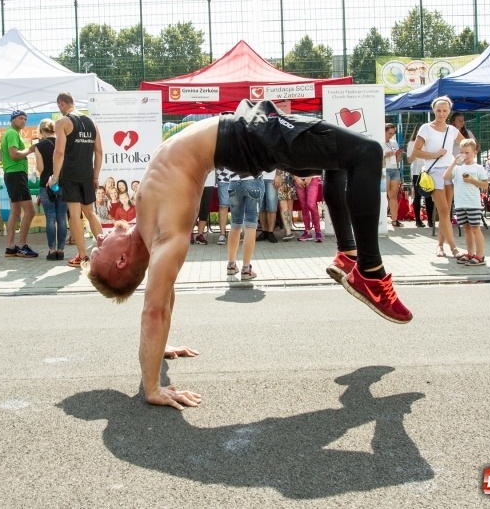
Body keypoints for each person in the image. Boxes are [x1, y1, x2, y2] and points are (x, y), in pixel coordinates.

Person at [84, 99, 412, 410]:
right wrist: (152, 387)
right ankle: (370, 272)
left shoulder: (149, 230)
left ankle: (347, 256)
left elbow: (162, 300)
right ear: (121, 261)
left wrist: (158, 349)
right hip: (250, 136)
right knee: (367, 153)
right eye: (99, 249)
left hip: (247, 133)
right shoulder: (166, 238)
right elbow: (153, 311)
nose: (98, 238)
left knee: (342, 158)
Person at [50, 92, 105, 268]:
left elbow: (58, 153)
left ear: (61, 104)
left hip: (70, 175)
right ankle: (105, 252)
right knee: (90, 212)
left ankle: (82, 256)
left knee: (74, 214)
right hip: (87, 174)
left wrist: (54, 177)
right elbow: (99, 151)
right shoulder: (92, 123)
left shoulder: (62, 122)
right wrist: (95, 176)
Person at [412, 96, 465, 258]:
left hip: (450, 170)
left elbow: (467, 144)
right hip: (433, 172)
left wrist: (461, 158)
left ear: (449, 112)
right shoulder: (425, 128)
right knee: (442, 209)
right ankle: (454, 248)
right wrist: (435, 154)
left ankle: (440, 246)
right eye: (438, 110)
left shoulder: (452, 130)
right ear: (433, 110)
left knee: (446, 212)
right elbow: (415, 152)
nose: (441, 113)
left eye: (444, 110)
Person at [0, 110, 38, 258]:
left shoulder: (10, 133)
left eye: (25, 119)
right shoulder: (12, 134)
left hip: (12, 174)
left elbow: (8, 155)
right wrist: (30, 149)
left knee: (15, 212)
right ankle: (22, 246)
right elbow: (14, 155)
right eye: (21, 118)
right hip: (16, 174)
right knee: (30, 211)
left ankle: (10, 247)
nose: (23, 121)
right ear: (13, 119)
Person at [444, 139, 488, 266]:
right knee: (466, 229)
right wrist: (454, 162)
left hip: (472, 203)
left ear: (475, 152)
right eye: (462, 152)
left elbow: (485, 185)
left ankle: (480, 255)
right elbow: (446, 176)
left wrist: (472, 180)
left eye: (467, 152)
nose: (464, 155)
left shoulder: (478, 168)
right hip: (460, 203)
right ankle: (470, 252)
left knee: (475, 228)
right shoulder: (458, 168)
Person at [32, 118, 67, 261]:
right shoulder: (63, 142)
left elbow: (41, 169)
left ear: (41, 131)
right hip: (63, 183)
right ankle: (61, 250)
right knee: (62, 218)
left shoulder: (39, 146)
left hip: (46, 184)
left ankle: (52, 250)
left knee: (50, 218)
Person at [225, 174, 264, 280]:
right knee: (251, 225)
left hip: (234, 181)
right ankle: (246, 269)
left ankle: (231, 265)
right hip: (253, 180)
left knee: (235, 224)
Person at [407, 124, 432, 228]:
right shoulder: (412, 143)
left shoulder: (430, 142)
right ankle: (418, 220)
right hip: (417, 171)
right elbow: (409, 160)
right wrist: (416, 153)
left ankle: (431, 220)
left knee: (429, 196)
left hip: (428, 171)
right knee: (417, 196)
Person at [293, 173, 322, 242]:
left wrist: (310, 176)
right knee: (304, 206)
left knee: (311, 204)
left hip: (312, 177)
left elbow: (316, 162)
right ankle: (307, 231)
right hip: (298, 178)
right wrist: (296, 177)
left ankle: (318, 231)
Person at [190, 171, 215, 245]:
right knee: (194, 210)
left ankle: (200, 235)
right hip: (196, 182)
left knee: (205, 209)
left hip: (209, 183)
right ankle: (189, 234)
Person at [257, 170, 279, 243]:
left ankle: (270, 232)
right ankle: (264, 231)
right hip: (258, 178)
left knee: (272, 207)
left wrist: (278, 175)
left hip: (271, 178)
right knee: (261, 207)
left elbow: (278, 161)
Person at [275, 170, 297, 240]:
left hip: (287, 176)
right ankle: (288, 231)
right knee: (285, 206)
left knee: (287, 207)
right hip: (285, 176)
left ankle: (288, 230)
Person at [215, 168, 233, 244]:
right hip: (223, 178)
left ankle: (235, 232)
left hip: (238, 178)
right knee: (223, 206)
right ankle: (222, 234)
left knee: (237, 207)